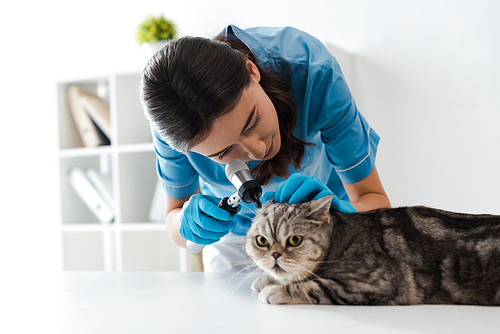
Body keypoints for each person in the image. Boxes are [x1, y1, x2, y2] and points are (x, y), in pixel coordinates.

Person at [140, 25, 391, 273]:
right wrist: (187, 223)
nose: (257, 151)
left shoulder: (312, 70)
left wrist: (339, 213)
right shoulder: (172, 127)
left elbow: (377, 205)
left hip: (323, 226)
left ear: (252, 70)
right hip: (240, 239)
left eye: (253, 122)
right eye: (224, 153)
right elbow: (174, 222)